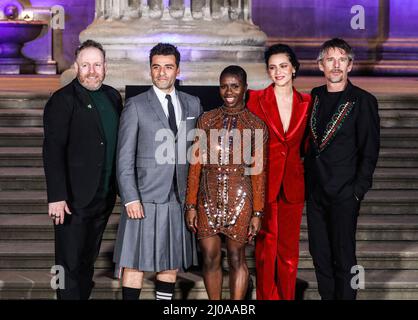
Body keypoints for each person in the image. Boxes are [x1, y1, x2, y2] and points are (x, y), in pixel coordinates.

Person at [113, 43, 203, 300]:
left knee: (170, 261)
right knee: (133, 261)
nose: (162, 73)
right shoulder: (136, 105)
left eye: (168, 67)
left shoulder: (193, 104)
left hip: (179, 198)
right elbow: (124, 156)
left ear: (178, 69)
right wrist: (130, 196)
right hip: (143, 198)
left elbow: (197, 150)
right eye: (156, 67)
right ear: (150, 70)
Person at [43, 40, 123, 300]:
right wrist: (56, 195)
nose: (92, 70)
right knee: (68, 265)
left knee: (87, 262)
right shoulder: (63, 100)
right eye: (86, 65)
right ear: (76, 66)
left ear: (105, 67)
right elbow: (53, 149)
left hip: (102, 197)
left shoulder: (112, 96)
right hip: (72, 200)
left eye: (97, 64)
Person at [304, 38, 380, 300]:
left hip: (345, 193)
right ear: (320, 65)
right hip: (315, 193)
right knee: (320, 255)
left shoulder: (363, 101)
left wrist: (358, 190)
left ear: (350, 65)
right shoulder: (313, 96)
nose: (335, 65)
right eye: (330, 59)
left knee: (344, 256)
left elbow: (370, 150)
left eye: (341, 59)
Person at [185, 65, 268, 300]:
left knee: (235, 256)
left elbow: (259, 173)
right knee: (210, 256)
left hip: (241, 197)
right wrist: (190, 204)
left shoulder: (256, 125)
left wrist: (258, 213)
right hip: (208, 196)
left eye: (234, 86)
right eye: (223, 86)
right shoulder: (206, 120)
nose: (228, 91)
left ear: (245, 88)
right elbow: (195, 166)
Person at [247, 44, 312, 300]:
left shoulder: (307, 102)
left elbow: (307, 144)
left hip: (293, 185)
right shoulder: (255, 99)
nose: (278, 72)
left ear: (294, 68)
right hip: (264, 184)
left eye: (283, 66)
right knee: (265, 250)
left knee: (288, 252)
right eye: (272, 67)